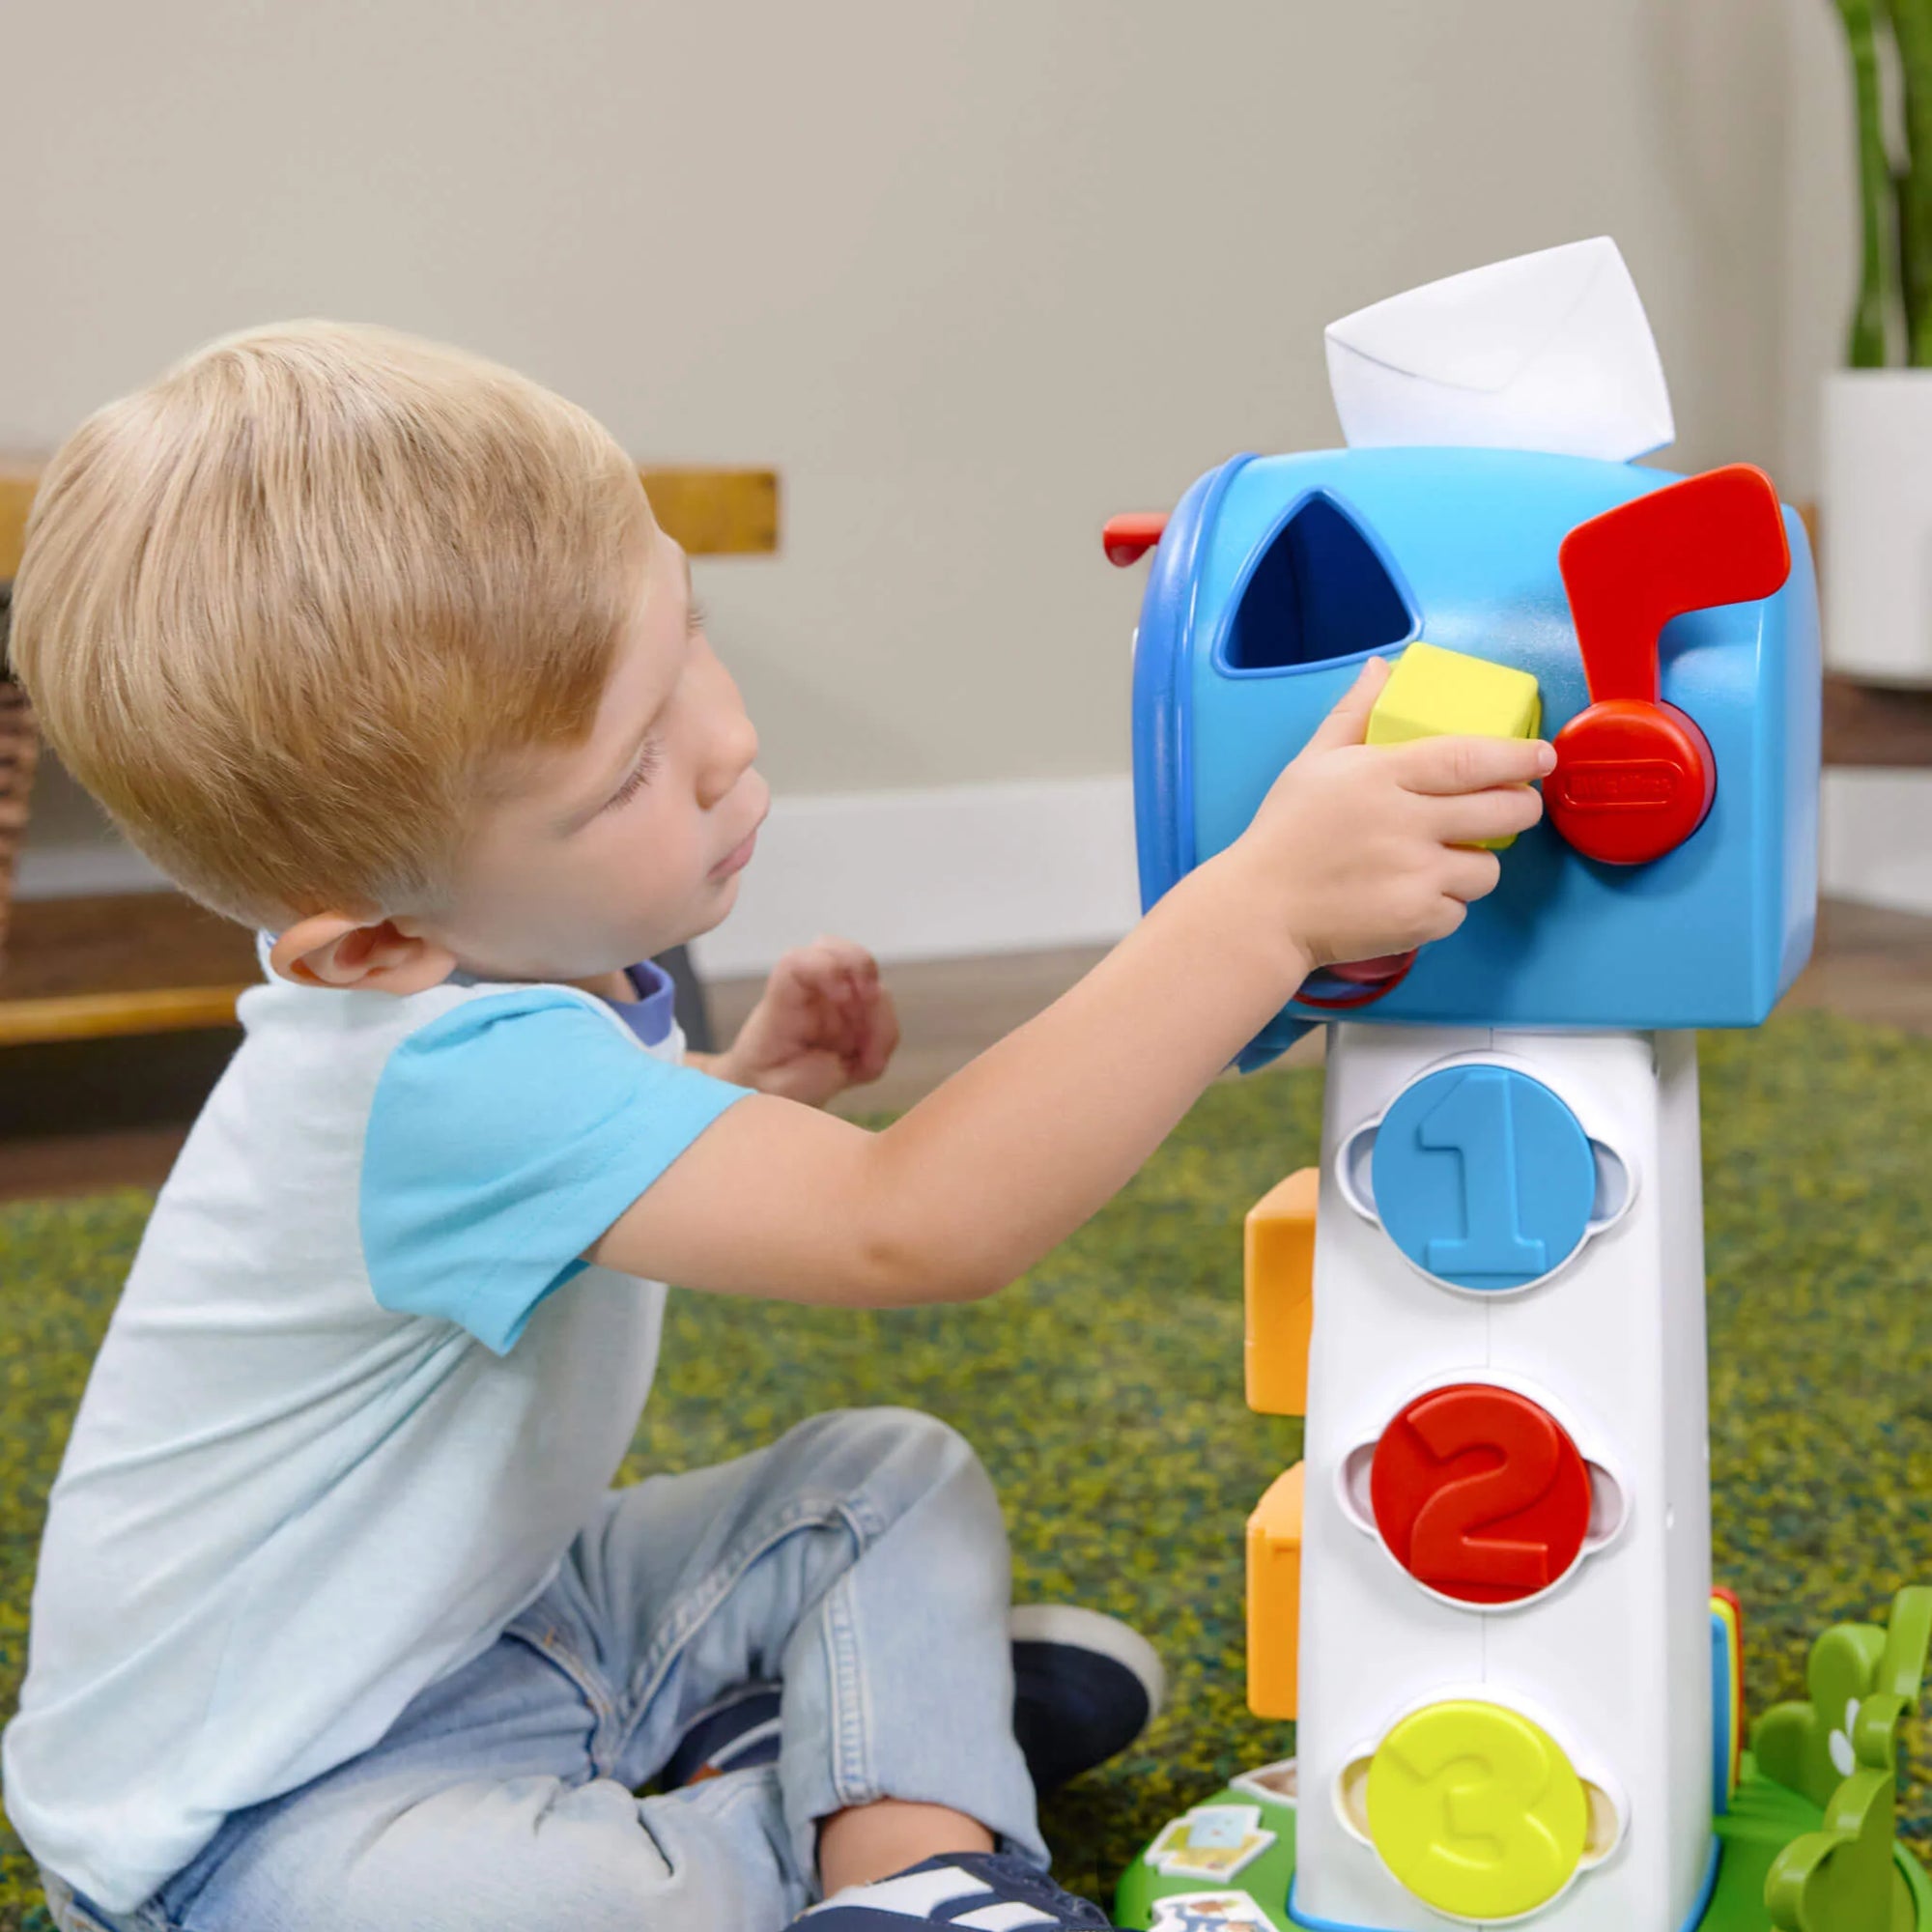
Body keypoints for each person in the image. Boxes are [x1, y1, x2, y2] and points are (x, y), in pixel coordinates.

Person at [0, 325, 1551, 1932]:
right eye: (626, 777)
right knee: (607, 1908)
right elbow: (919, 1224)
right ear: (379, 944)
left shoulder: (492, 992)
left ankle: (831, 1772)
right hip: (257, 1814)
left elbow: (564, 1185)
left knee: (883, 1474)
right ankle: (894, 1818)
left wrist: (743, 1090)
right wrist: (1262, 912)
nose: (728, 744)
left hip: (505, 1625)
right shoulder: (424, 1072)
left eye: (692, 640)